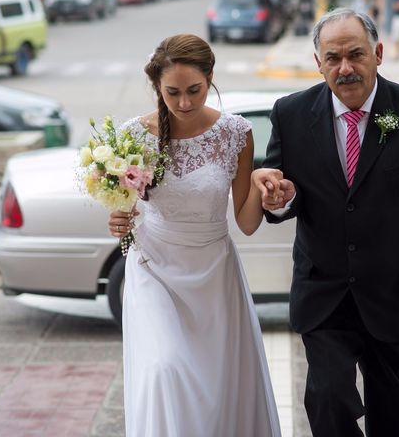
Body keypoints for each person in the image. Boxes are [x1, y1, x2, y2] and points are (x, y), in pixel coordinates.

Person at [252, 8, 399, 436]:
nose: (345, 68)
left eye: (356, 55)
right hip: (324, 294)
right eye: (333, 58)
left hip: (396, 294)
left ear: (378, 53)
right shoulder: (290, 114)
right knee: (329, 399)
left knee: (396, 413)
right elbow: (282, 194)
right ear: (317, 63)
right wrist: (279, 199)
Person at [107, 34, 282, 437]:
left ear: (211, 78)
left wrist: (259, 184)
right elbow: (125, 208)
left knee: (217, 391)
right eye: (172, 92)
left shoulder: (236, 133)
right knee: (163, 369)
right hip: (154, 270)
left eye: (194, 91)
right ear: (157, 87)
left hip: (213, 275)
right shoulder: (132, 136)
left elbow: (248, 223)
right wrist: (118, 218)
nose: (184, 103)